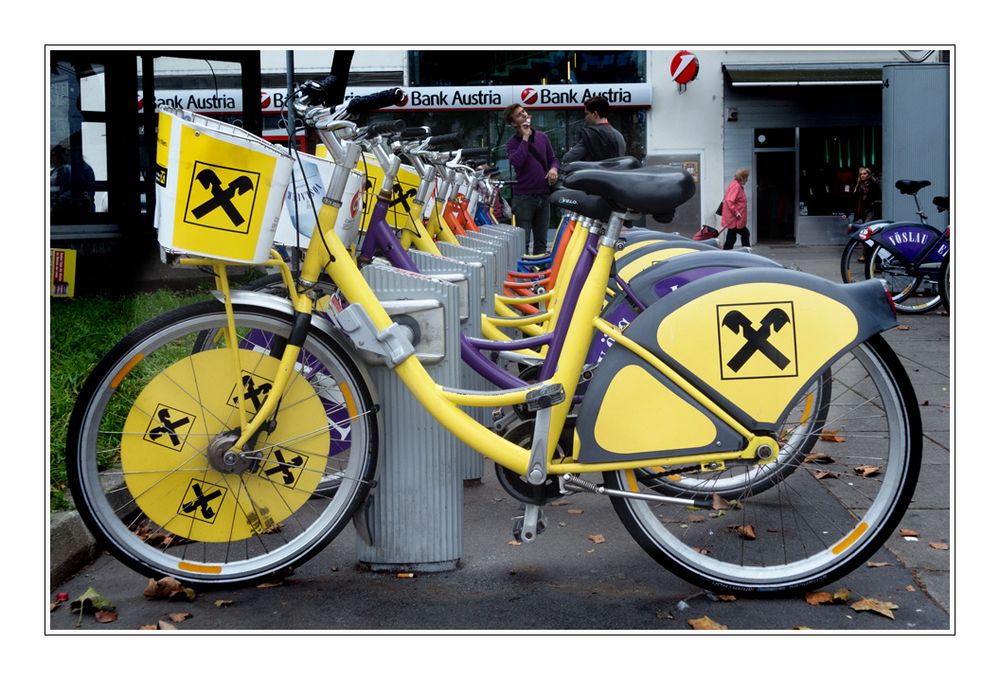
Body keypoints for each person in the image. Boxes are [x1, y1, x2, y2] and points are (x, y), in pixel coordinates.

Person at [504, 103, 559, 254]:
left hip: (543, 194)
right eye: (519, 115)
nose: (524, 115)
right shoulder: (511, 144)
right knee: (524, 241)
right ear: (514, 123)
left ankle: (540, 272)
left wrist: (554, 169)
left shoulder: (543, 137)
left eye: (524, 112)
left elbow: (553, 159)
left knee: (541, 241)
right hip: (523, 198)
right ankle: (524, 274)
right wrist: (526, 138)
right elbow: (517, 162)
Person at [561, 95, 627, 164]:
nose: (585, 118)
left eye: (587, 114)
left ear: (595, 114)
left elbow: (567, 158)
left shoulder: (591, 135)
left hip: (595, 174)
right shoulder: (619, 135)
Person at [721, 168, 750, 250]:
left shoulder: (736, 185)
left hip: (735, 219)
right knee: (744, 234)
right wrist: (736, 212)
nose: (747, 180)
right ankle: (746, 252)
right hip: (734, 219)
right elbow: (729, 201)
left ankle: (726, 254)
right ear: (742, 178)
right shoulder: (736, 186)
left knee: (731, 238)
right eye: (746, 178)